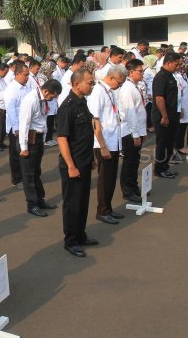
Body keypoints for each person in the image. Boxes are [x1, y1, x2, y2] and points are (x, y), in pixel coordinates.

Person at [56, 69, 98, 258]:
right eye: (89, 82)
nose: (92, 85)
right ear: (76, 84)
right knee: (72, 204)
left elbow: (85, 134)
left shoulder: (82, 102)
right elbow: (62, 139)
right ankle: (71, 240)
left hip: (85, 160)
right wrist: (71, 166)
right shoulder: (68, 106)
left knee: (83, 202)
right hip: (73, 164)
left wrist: (91, 158)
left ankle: (81, 234)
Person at [88, 65, 126, 225]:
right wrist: (102, 146)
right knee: (105, 178)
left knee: (111, 177)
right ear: (111, 77)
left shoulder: (109, 90)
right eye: (120, 82)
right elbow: (94, 121)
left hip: (113, 140)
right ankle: (102, 210)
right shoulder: (97, 92)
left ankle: (108, 207)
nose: (120, 85)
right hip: (103, 143)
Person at [19, 80, 62, 217]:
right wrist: (24, 147)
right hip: (29, 140)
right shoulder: (30, 100)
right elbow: (24, 124)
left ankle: (39, 199)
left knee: (36, 171)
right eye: (52, 96)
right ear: (46, 91)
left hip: (38, 139)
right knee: (29, 174)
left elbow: (42, 120)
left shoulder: (43, 99)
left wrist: (43, 140)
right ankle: (32, 204)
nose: (52, 99)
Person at [118, 59, 147, 203]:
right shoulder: (127, 89)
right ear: (131, 72)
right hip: (129, 131)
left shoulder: (134, 86)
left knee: (135, 161)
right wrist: (136, 134)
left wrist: (142, 132)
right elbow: (130, 114)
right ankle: (127, 190)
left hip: (136, 130)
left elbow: (140, 111)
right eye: (140, 71)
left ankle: (133, 186)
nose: (142, 73)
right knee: (129, 161)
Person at [153, 52, 181, 179]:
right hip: (163, 117)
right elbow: (159, 98)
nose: (178, 66)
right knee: (163, 144)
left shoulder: (171, 76)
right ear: (168, 63)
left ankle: (165, 166)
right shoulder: (161, 77)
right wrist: (164, 116)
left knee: (170, 143)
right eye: (176, 64)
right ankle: (160, 169)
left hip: (172, 115)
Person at [4, 63, 30, 188]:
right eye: (25, 75)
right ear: (17, 74)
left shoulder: (27, 87)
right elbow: (11, 110)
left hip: (27, 125)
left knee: (25, 151)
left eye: (28, 75)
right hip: (16, 127)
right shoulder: (11, 89)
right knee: (15, 154)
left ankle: (26, 176)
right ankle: (17, 179)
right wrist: (16, 128)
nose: (27, 77)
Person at [174, 56, 188, 158]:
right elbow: (178, 94)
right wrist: (179, 107)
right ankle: (178, 147)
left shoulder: (183, 75)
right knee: (179, 128)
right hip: (180, 106)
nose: (182, 66)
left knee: (183, 126)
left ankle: (180, 145)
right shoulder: (176, 76)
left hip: (186, 103)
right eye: (179, 64)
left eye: (183, 64)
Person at [143, 55, 159, 132]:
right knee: (149, 109)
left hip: (155, 91)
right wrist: (148, 94)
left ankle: (153, 124)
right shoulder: (147, 71)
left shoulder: (153, 69)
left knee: (154, 109)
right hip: (150, 93)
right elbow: (145, 83)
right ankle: (149, 125)